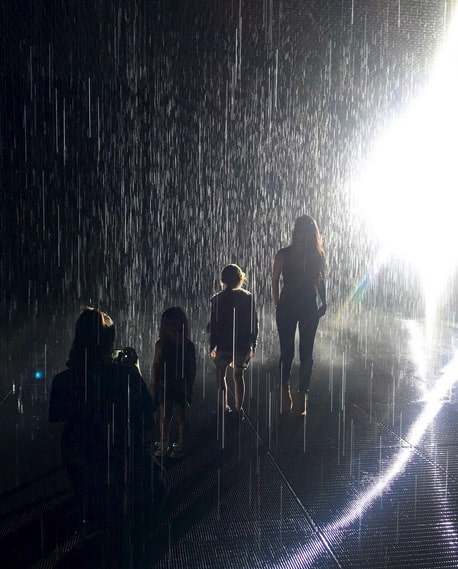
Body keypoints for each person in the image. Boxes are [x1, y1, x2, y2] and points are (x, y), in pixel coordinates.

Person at [49, 307, 155, 560]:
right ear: (109, 340)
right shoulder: (125, 374)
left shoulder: (63, 380)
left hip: (80, 452)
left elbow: (57, 416)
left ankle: (93, 530)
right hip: (119, 451)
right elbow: (147, 413)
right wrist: (134, 369)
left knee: (94, 502)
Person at [272, 215, 327, 414]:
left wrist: (324, 300)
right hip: (289, 305)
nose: (304, 234)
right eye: (301, 230)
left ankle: (302, 393)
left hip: (307, 306)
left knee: (306, 353)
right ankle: (285, 389)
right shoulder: (283, 254)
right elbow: (275, 279)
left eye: (307, 230)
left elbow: (321, 279)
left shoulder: (316, 254)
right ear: (296, 232)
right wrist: (277, 302)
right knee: (288, 352)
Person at [209, 264, 258, 420]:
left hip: (224, 344)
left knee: (220, 375)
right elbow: (254, 323)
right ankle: (238, 409)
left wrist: (212, 345)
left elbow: (214, 325)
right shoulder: (248, 297)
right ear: (241, 278)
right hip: (242, 344)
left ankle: (223, 407)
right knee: (238, 375)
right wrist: (253, 343)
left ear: (223, 280)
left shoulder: (217, 299)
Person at [151, 307, 196, 460]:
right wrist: (154, 382)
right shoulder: (185, 345)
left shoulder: (165, 344)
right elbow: (156, 365)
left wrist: (189, 385)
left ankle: (174, 444)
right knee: (167, 415)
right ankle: (169, 443)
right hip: (173, 384)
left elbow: (157, 365)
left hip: (172, 384)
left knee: (176, 416)